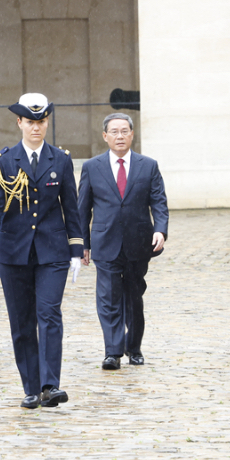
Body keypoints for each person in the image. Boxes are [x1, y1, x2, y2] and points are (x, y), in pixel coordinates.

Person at [0, 93, 83, 409]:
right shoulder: (4, 161)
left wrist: (77, 249)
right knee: (22, 320)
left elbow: (71, 206)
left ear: (47, 122)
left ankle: (50, 384)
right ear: (19, 123)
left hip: (52, 251)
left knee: (49, 313)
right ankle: (31, 387)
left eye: (41, 121)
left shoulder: (61, 159)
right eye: (30, 121)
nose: (36, 127)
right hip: (14, 252)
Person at [78, 113, 168, 370]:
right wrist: (82, 243)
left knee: (133, 296)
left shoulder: (148, 166)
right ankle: (113, 352)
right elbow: (82, 209)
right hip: (105, 243)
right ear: (105, 136)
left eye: (124, 131)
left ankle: (134, 346)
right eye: (114, 132)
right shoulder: (92, 167)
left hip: (138, 243)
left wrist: (160, 230)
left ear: (132, 134)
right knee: (108, 298)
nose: (119, 136)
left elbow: (159, 202)